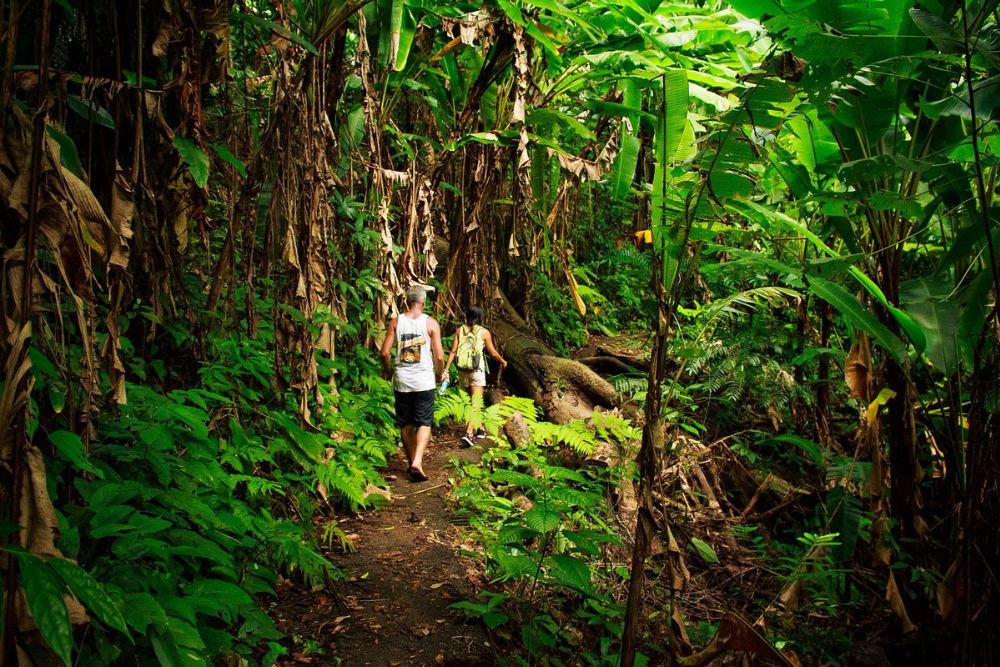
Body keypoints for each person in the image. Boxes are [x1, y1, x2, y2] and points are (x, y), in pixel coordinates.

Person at [380, 285, 445, 482]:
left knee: (406, 422)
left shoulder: (396, 322)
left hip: (402, 380)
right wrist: (439, 374)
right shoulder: (431, 323)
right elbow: (440, 356)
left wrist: (391, 370)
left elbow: (384, 352)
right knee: (425, 422)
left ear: (406, 302)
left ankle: (411, 464)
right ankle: (417, 462)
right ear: (423, 304)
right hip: (424, 380)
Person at [441, 305, 507, 448]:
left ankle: (479, 428)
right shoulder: (484, 332)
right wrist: (503, 361)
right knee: (476, 403)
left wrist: (446, 369)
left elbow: (453, 351)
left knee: (468, 401)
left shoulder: (460, 330)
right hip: (476, 370)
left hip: (462, 370)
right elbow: (493, 353)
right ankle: (468, 433)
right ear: (480, 317)